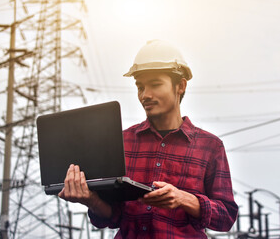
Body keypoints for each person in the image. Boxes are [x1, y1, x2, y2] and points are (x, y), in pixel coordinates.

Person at [59, 40, 238, 238]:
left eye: (155, 84)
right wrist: (91, 200)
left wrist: (184, 199)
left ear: (180, 86)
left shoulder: (210, 146)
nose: (145, 95)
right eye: (140, 87)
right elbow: (113, 217)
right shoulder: (122, 142)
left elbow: (226, 218)